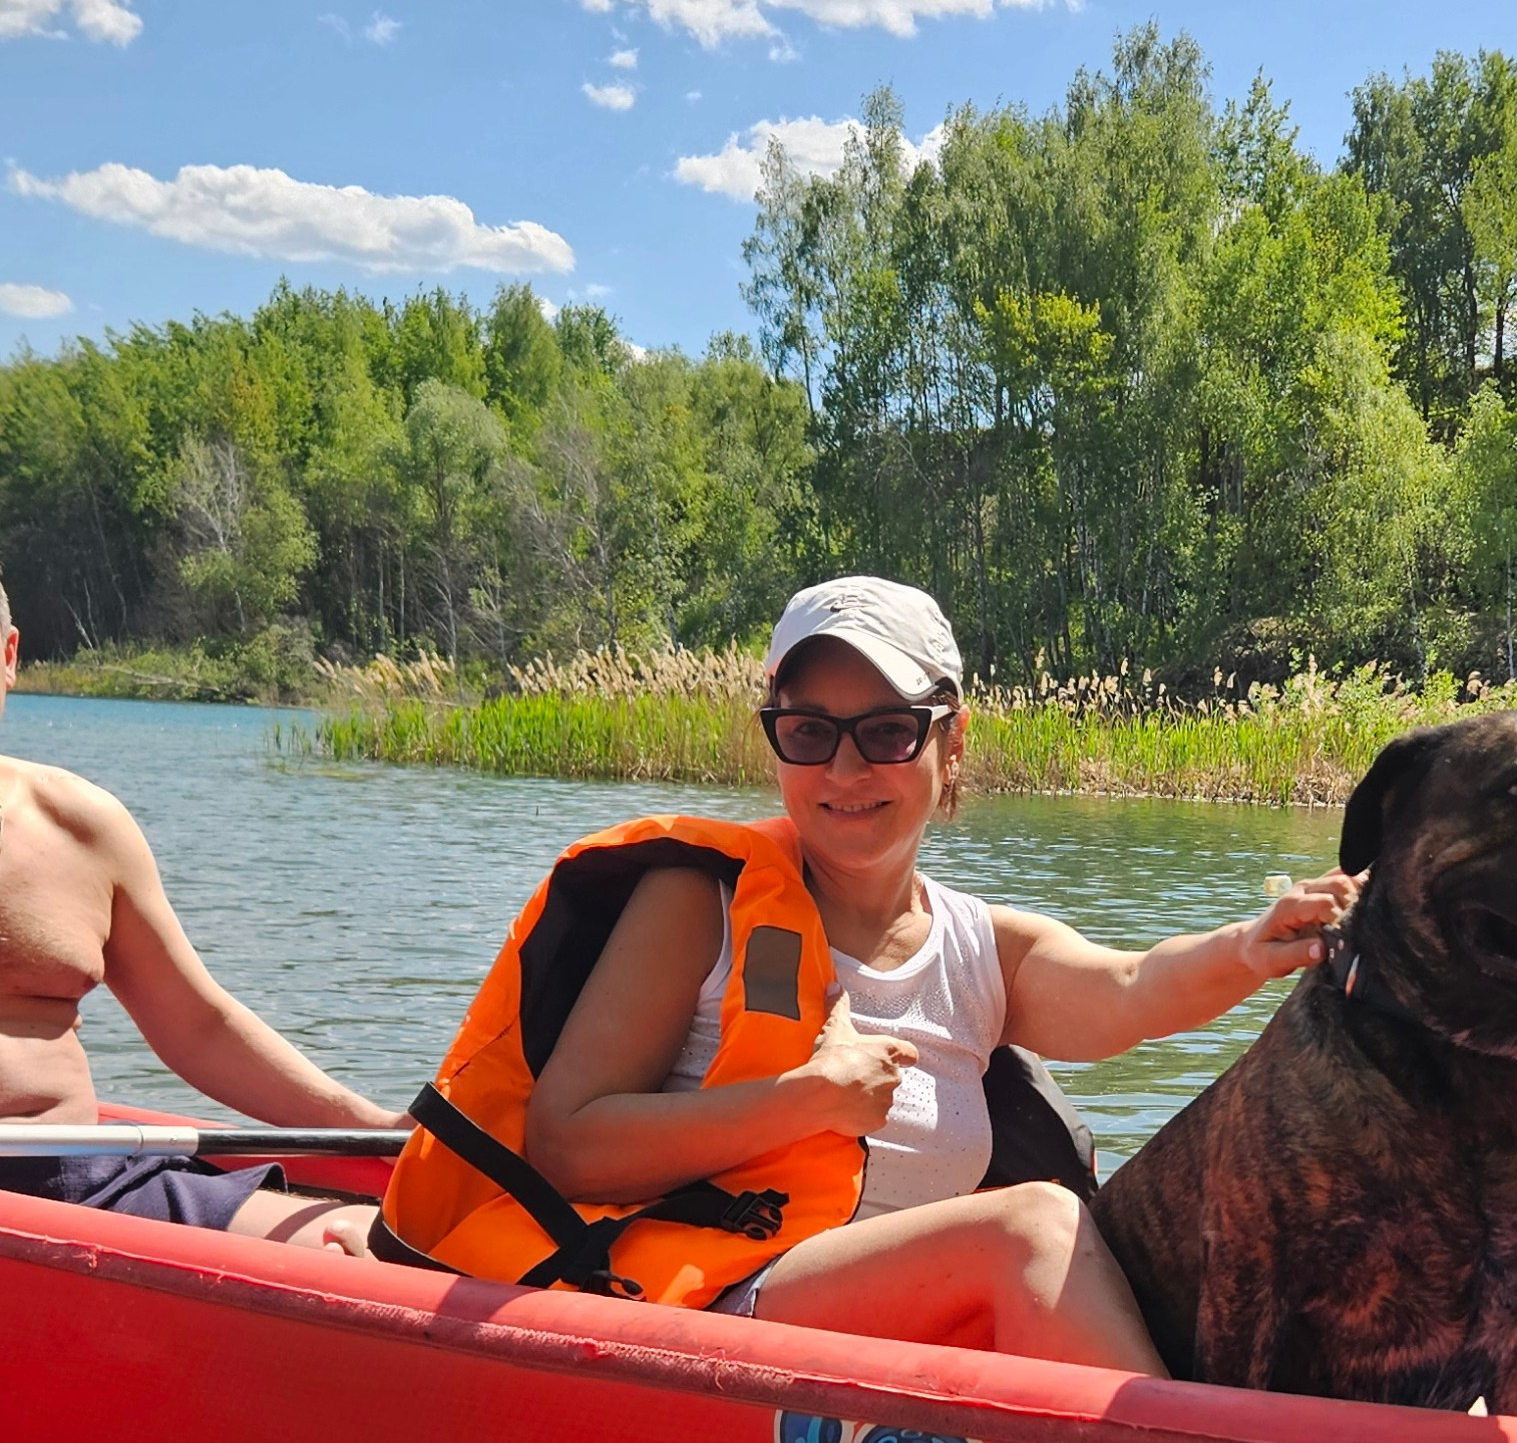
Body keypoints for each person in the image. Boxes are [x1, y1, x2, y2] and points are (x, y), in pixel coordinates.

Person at [380, 576, 1355, 1371]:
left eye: (886, 731)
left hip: (899, 1355)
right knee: (1027, 1231)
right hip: (700, 1322)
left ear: (951, 740)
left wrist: (1247, 946)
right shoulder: (697, 905)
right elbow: (569, 1143)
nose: (843, 770)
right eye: (808, 731)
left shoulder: (980, 947)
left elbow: (1132, 988)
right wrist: (803, 1100)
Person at [0, 571, 396, 1249]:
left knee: (370, 1244)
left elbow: (199, 1026)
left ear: (8, 657)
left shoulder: (81, 825)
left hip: (83, 1182)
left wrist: (378, 1128)